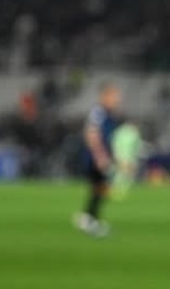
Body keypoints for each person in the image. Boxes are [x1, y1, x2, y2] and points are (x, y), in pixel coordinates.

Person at [73, 82, 121, 237]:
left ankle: (89, 218)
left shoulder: (106, 114)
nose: (116, 100)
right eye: (114, 96)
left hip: (101, 156)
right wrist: (100, 156)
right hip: (95, 158)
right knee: (100, 187)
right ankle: (90, 219)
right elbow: (92, 134)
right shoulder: (98, 112)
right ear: (105, 96)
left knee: (100, 188)